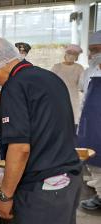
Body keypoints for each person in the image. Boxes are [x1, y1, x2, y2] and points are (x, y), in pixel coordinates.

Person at [0, 37, 82, 224]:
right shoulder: (50, 78)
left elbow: (20, 148)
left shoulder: (14, 86)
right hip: (69, 180)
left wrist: (5, 196)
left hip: (43, 189)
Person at [78, 30, 101, 210]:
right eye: (91, 50)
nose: (93, 54)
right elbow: (85, 98)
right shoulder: (88, 72)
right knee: (93, 162)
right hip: (90, 123)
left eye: (97, 49)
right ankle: (99, 194)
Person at [52, 44, 84, 126]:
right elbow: (50, 83)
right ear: (65, 54)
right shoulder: (56, 67)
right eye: (69, 53)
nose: (71, 56)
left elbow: (82, 85)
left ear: (77, 57)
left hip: (73, 99)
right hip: (58, 97)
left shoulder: (79, 68)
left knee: (72, 122)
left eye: (74, 54)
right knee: (58, 121)